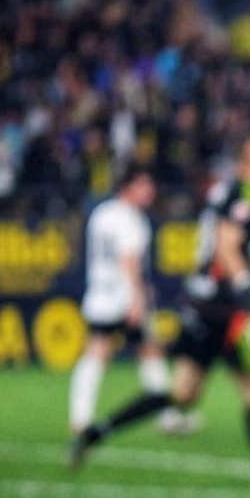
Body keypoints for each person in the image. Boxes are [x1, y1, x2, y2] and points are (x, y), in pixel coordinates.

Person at [67, 129, 250, 498]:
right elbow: (225, 245)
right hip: (222, 310)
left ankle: (96, 432)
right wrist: (246, 287)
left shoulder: (231, 189)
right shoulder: (244, 191)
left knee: (181, 395)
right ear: (249, 152)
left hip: (203, 305)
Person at [67, 164, 184, 437]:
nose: (150, 191)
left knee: (120, 350)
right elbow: (128, 260)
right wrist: (137, 299)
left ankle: (80, 417)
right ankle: (167, 414)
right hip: (122, 296)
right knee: (139, 350)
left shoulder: (101, 213)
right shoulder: (130, 218)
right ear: (128, 186)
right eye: (144, 185)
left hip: (99, 293)